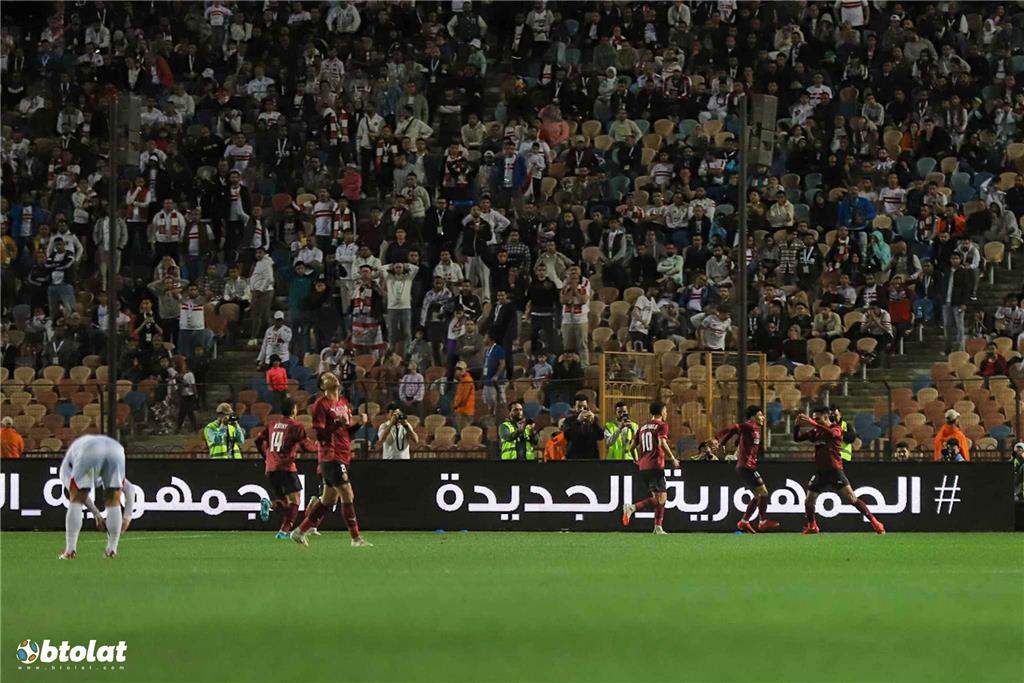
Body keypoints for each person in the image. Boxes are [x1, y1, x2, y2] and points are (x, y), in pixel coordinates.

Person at [291, 372, 372, 547]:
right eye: (327, 377)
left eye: (333, 375)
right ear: (322, 386)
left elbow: (345, 432)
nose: (333, 377)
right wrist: (337, 424)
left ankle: (300, 531)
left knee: (328, 500)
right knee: (347, 494)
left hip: (343, 454)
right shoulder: (320, 405)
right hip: (331, 455)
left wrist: (359, 424)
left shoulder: (343, 403)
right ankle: (356, 538)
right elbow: (320, 434)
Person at [793, 407, 886, 535]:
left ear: (826, 417)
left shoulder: (836, 428)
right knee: (809, 500)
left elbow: (833, 434)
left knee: (852, 498)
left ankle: (875, 522)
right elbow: (797, 439)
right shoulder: (815, 432)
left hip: (834, 470)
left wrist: (812, 423)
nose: (815, 421)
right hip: (821, 472)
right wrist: (796, 426)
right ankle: (812, 526)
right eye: (814, 419)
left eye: (818, 419)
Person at [57, 435, 135, 559]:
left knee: (76, 499)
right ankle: (112, 550)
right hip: (115, 450)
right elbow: (130, 489)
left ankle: (70, 551)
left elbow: (80, 497)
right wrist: (127, 518)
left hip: (89, 450)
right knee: (113, 500)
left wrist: (97, 515)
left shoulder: (64, 471)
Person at [255, 398, 315, 539]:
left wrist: (266, 457)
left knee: (285, 503)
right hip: (286, 467)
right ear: (294, 410)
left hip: (270, 468)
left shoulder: (272, 424)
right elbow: (306, 447)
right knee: (295, 501)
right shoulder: (296, 426)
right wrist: (321, 447)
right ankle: (281, 526)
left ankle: (281, 530)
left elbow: (258, 441)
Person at [714, 406, 779, 534]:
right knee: (763, 493)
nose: (763, 418)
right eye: (760, 415)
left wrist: (723, 443)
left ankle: (744, 522)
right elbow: (732, 428)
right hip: (746, 466)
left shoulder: (755, 429)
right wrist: (717, 438)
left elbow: (735, 434)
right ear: (753, 417)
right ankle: (762, 521)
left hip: (748, 466)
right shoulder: (748, 426)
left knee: (757, 495)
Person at [621, 401, 678, 535]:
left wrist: (636, 459)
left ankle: (658, 527)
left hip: (643, 467)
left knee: (657, 498)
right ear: (662, 411)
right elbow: (662, 442)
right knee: (661, 499)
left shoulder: (642, 427)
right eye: (666, 411)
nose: (666, 413)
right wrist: (672, 458)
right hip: (656, 465)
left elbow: (632, 447)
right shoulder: (662, 425)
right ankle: (632, 507)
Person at [562, 394, 603, 459]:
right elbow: (568, 436)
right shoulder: (568, 420)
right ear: (574, 407)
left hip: (591, 456)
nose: (582, 409)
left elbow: (601, 436)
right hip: (574, 457)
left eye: (584, 407)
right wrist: (578, 421)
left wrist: (594, 422)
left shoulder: (594, 419)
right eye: (579, 407)